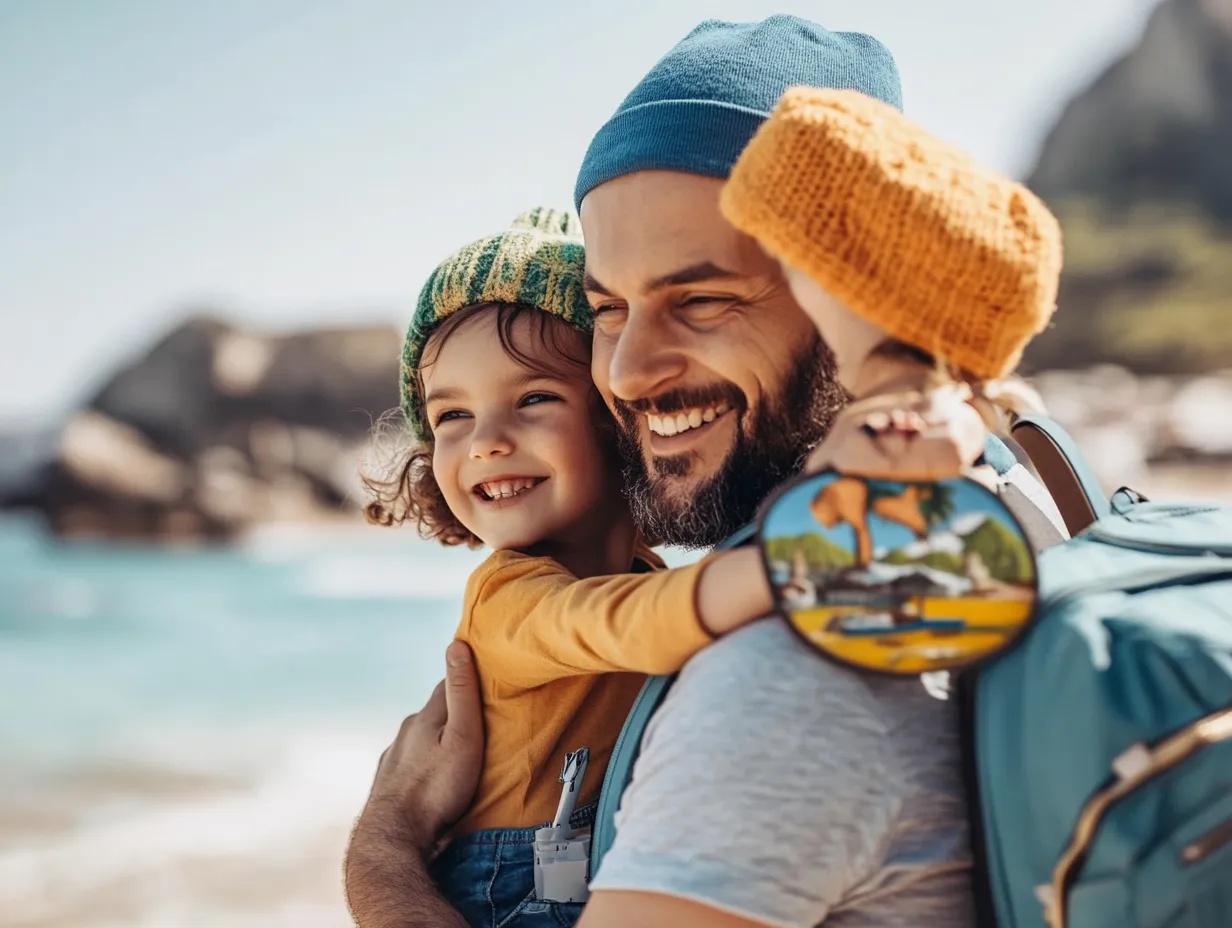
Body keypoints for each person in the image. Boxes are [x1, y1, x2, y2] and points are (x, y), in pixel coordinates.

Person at [346, 16, 1068, 928]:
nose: (629, 372)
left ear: (853, 300)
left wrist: (383, 850)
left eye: (702, 299)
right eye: (609, 310)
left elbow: (657, 622)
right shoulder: (1015, 475)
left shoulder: (781, 682)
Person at [363, 207, 774, 927]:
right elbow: (621, 626)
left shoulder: (647, 577)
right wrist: (788, 571)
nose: (486, 441)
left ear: (621, 421)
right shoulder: (509, 596)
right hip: (505, 896)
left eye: (533, 399)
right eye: (450, 417)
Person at [719, 85, 1067, 552]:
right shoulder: (967, 428)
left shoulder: (889, 439)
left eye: (786, 260)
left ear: (850, 288)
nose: (779, 283)